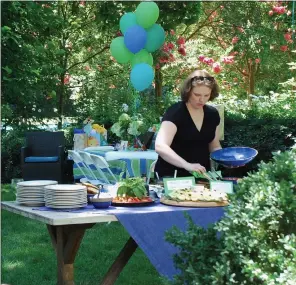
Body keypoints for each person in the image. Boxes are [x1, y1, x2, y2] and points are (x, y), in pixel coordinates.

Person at [154, 69, 222, 178]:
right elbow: (160, 146)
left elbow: (214, 146)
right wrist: (187, 165)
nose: (201, 100)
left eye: (206, 95)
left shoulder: (213, 114)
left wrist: (227, 160)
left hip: (201, 176)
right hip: (171, 176)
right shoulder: (175, 112)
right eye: (197, 94)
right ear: (188, 91)